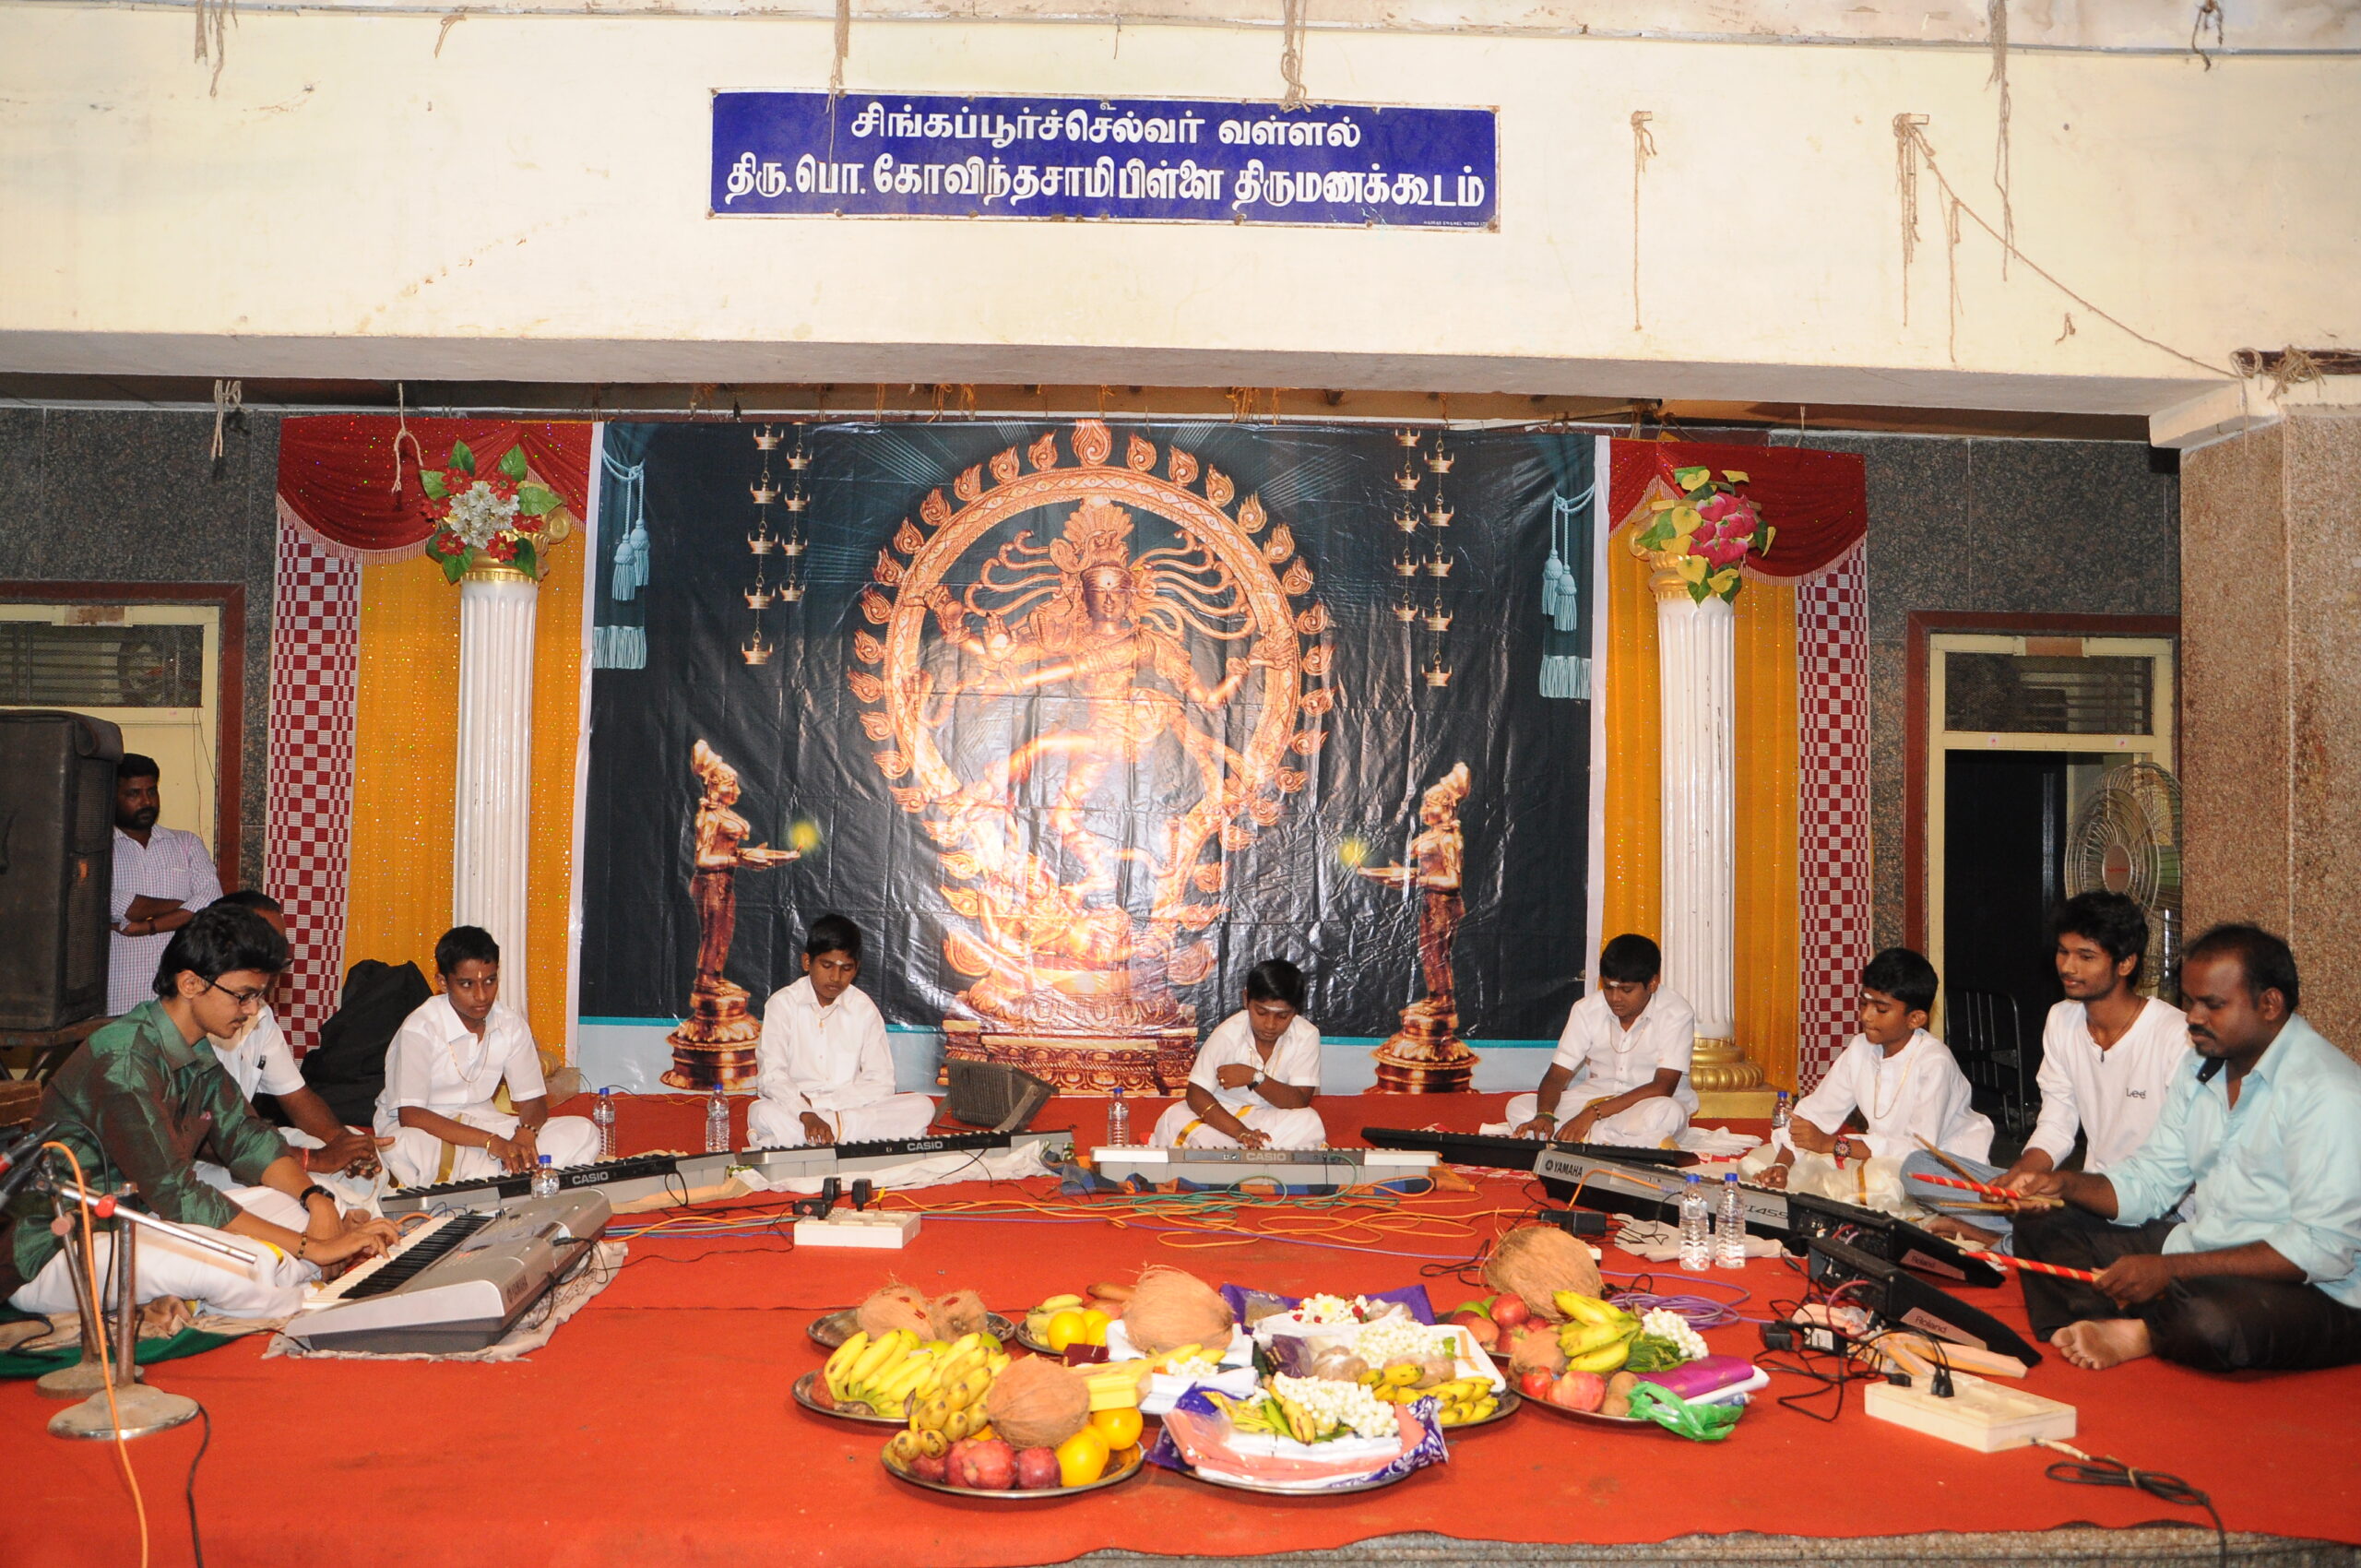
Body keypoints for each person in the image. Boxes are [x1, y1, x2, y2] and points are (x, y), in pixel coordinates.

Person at [2, 905, 397, 1321]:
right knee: (239, 1267)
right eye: (244, 995)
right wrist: (313, 1246)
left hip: (141, 1220)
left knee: (309, 1209)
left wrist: (317, 1202)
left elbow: (246, 1137)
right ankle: (308, 1298)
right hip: (60, 1245)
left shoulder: (194, 1047)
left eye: (258, 996)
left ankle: (275, 1278)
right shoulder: (123, 1060)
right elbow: (178, 1194)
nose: (253, 1010)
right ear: (190, 983)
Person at [2012, 925, 2361, 1373]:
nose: (2193, 1017)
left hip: (2320, 1288)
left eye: (2212, 1005)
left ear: (2270, 1004)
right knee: (2044, 1223)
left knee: (2212, 1320)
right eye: (2190, 1001)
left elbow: (2322, 1249)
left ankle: (2147, 1329)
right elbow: (2152, 1180)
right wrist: (2065, 1184)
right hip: (2206, 1251)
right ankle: (2122, 1321)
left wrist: (2174, 1269)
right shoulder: (2201, 1065)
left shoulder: (2328, 1091)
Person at [1903, 892, 2189, 1247]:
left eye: (2086, 956)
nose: (2068, 967)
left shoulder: (2175, 1035)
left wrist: (2064, 1191)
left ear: (2126, 963)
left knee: (2074, 1238)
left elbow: (2180, 1168)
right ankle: (2028, 1234)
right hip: (2084, 1194)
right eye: (2063, 952)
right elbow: (2057, 1123)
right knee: (1918, 1168)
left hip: (2155, 1208)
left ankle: (2004, 1241)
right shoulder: (2062, 1019)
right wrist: (2021, 1179)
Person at [195, 891, 392, 1196]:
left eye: (280, 948)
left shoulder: (260, 1013)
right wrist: (314, 1159)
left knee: (363, 1171)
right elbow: (203, 1137)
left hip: (251, 1142)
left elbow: (297, 1096)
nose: (276, 960)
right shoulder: (194, 1018)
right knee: (317, 1189)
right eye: (266, 945)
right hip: (203, 1163)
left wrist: (341, 1143)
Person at [374, 926, 599, 1188]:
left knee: (583, 1131)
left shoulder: (509, 1024)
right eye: (467, 984)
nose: (481, 996)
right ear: (443, 983)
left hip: (483, 1123)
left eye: (489, 981)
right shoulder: (420, 1028)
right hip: (427, 1130)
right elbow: (412, 1116)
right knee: (407, 1146)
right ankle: (509, 1176)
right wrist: (492, 1143)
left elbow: (533, 1101)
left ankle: (488, 1178)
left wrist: (526, 1134)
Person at [1759, 948, 1992, 1190]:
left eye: (1881, 1009)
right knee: (1758, 1162)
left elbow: (1918, 1152)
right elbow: (1814, 1115)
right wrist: (1782, 1165)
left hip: (1943, 1172)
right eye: (1863, 1003)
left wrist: (1833, 1145)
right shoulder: (1861, 1048)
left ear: (1915, 1019)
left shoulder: (1935, 1063)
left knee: (1863, 1183)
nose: (1866, 1016)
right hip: (1882, 1160)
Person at [746, 915, 935, 1148]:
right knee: (762, 1112)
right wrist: (805, 1113)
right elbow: (772, 1076)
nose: (836, 978)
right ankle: (843, 1136)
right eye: (827, 966)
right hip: (796, 1109)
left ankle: (813, 1137)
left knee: (922, 1106)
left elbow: (882, 1082)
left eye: (846, 968)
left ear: (856, 969)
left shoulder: (863, 1008)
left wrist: (820, 1107)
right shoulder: (782, 1004)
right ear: (807, 962)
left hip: (847, 1107)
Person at [1504, 934, 1696, 1147]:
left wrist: (1592, 1114)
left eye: (1626, 990)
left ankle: (1583, 1136)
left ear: (1652, 983)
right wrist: (1545, 1115)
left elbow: (1662, 1087)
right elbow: (1557, 1075)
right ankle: (1611, 1139)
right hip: (1593, 1097)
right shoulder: (1586, 1009)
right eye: (1608, 988)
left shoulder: (1676, 1013)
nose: (1615, 998)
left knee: (1669, 1113)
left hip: (1645, 1104)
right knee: (1519, 1105)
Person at [1151, 960, 1325, 1151]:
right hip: (1224, 1117)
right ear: (1245, 1000)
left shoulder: (1306, 1035)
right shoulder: (1227, 1034)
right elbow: (1196, 1094)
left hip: (1274, 1118)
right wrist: (1240, 1132)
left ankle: (1234, 1154)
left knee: (1310, 1122)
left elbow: (1299, 1101)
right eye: (1261, 1012)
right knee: (1175, 1117)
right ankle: (1253, 1152)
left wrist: (1255, 1078)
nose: (1270, 1024)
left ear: (1296, 1011)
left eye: (1282, 1016)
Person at [108, 753, 224, 1018]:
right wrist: (186, 909)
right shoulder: (97, 851)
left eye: (151, 791)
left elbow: (212, 903)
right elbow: (114, 904)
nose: (146, 802)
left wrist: (148, 926)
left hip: (179, 998)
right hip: (118, 994)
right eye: (134, 794)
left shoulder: (185, 843)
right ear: (111, 796)